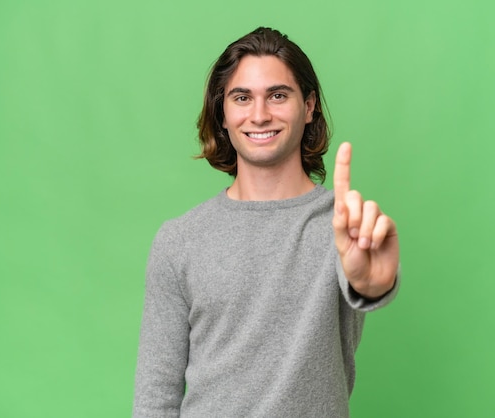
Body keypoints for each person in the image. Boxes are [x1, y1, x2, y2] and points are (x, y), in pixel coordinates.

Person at [133, 27, 400, 417]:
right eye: (242, 98)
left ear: (308, 107)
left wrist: (373, 285)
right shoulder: (179, 240)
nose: (259, 115)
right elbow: (155, 399)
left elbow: (366, 280)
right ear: (222, 113)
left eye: (277, 95)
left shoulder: (345, 228)